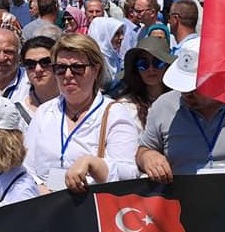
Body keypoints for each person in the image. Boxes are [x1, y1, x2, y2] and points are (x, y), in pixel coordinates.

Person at [137, 47, 225, 183]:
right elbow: (143, 150)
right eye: (182, 87)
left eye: (194, 88)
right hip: (182, 196)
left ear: (219, 79)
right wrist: (148, 157)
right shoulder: (163, 106)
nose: (187, 94)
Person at [24, 33, 141, 192]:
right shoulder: (45, 112)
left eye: (77, 68)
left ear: (96, 70)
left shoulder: (114, 114)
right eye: (61, 68)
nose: (68, 75)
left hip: (90, 201)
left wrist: (93, 164)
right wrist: (38, 187)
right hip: (47, 201)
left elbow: (129, 174)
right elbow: (27, 166)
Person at [119, 36, 173, 127]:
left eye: (158, 62)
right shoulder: (126, 107)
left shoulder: (180, 101)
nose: (151, 69)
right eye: (143, 64)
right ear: (136, 69)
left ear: (167, 66)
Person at [17, 36, 59, 119]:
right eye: (30, 64)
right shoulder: (17, 113)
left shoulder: (76, 104)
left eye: (45, 62)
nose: (38, 69)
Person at [87, 17, 125, 83]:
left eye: (122, 33)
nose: (122, 37)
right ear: (104, 35)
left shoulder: (113, 55)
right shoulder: (94, 59)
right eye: (116, 34)